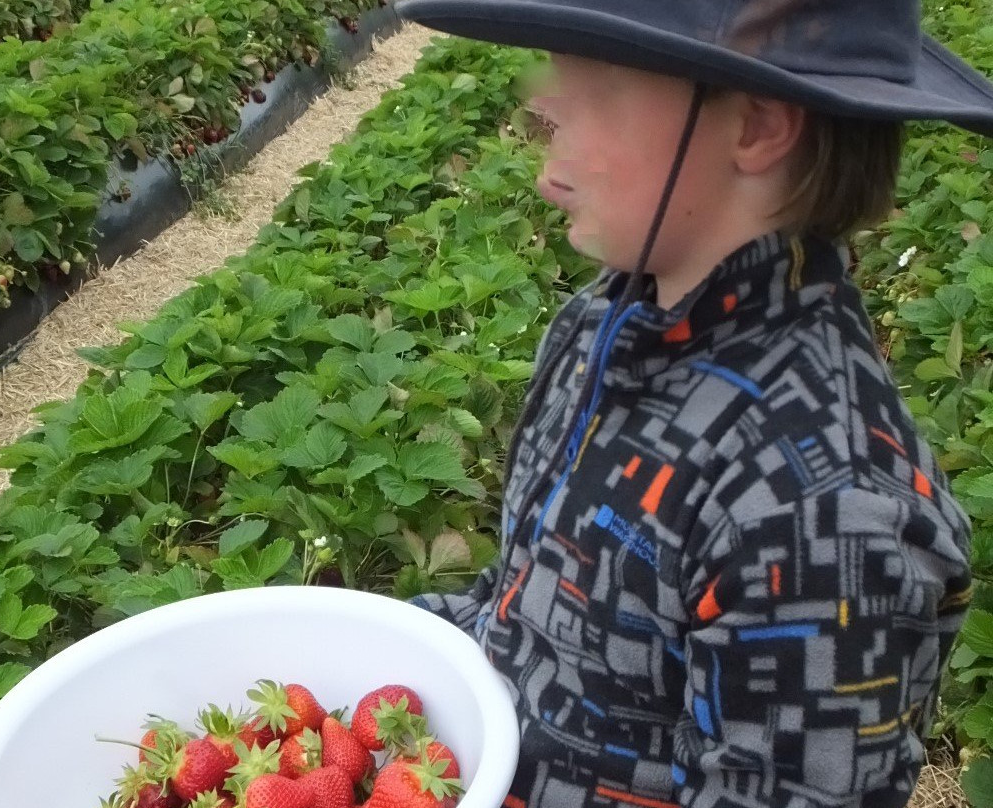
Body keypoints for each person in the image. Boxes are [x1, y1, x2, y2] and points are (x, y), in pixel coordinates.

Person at [392, 1, 993, 806]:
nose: (543, 109)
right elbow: (519, 610)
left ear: (756, 128)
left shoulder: (821, 513)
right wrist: (366, 646)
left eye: (598, 85)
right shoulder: (600, 328)